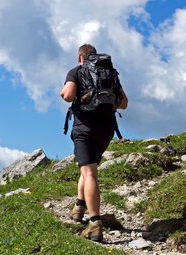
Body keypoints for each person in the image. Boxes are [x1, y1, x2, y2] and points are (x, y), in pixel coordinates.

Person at [60, 44, 128, 242]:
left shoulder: (77, 71)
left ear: (80, 58)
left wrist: (63, 91)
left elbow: (68, 95)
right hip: (106, 130)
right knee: (87, 168)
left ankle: (95, 224)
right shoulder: (109, 74)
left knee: (89, 172)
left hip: (85, 129)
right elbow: (124, 103)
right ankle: (79, 208)